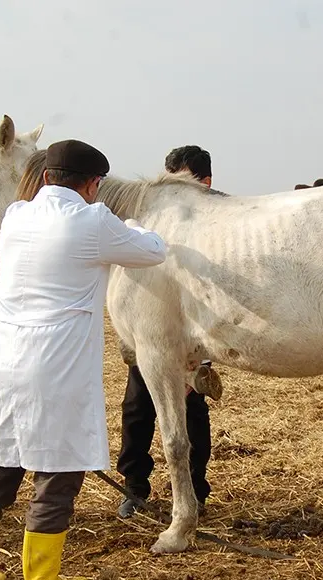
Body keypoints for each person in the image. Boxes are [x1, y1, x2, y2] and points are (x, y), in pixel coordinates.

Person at [0, 140, 167, 580]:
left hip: (9, 364)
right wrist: (130, 224)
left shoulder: (16, 217)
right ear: (93, 184)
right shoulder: (92, 220)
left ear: (47, 176)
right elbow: (153, 250)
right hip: (58, 367)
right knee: (57, 471)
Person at [114, 144, 224, 519]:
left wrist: (201, 361)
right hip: (151, 334)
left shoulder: (219, 228)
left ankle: (195, 488)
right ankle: (135, 487)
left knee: (192, 412)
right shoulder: (155, 218)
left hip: (193, 341)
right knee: (137, 410)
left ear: (205, 182)